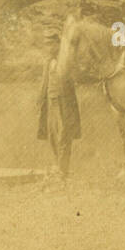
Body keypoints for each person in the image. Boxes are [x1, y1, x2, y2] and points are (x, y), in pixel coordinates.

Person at [37, 27, 81, 179]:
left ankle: (63, 170)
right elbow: (45, 82)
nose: (48, 47)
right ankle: (57, 166)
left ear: (57, 44)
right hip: (50, 102)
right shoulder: (47, 61)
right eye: (46, 44)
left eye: (51, 44)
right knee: (52, 135)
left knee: (64, 134)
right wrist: (40, 100)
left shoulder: (66, 60)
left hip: (64, 103)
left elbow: (73, 80)